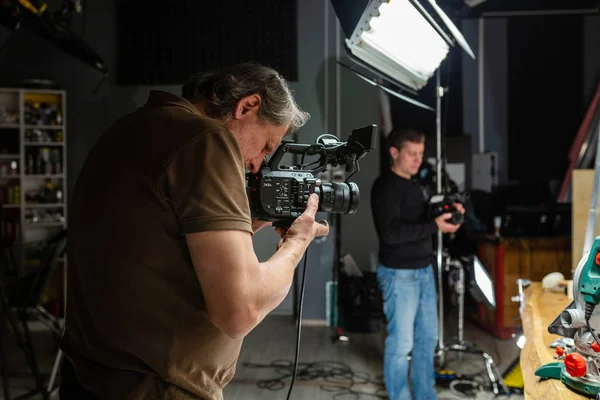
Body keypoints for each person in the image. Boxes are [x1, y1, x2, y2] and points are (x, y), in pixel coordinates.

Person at [59, 62, 329, 400]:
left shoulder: (130, 127)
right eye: (266, 146)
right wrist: (296, 243)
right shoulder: (207, 138)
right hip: (155, 388)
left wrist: (245, 224)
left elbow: (155, 243)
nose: (259, 164)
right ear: (247, 106)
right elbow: (239, 311)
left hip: (88, 377)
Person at [370, 128, 465, 400]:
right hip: (399, 275)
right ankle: (400, 396)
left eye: (420, 154)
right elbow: (390, 234)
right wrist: (433, 225)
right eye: (411, 154)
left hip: (424, 271)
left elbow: (426, 221)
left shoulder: (416, 186)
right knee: (402, 344)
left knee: (427, 341)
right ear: (394, 152)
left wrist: (449, 214)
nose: (417, 160)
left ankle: (425, 395)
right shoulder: (385, 187)